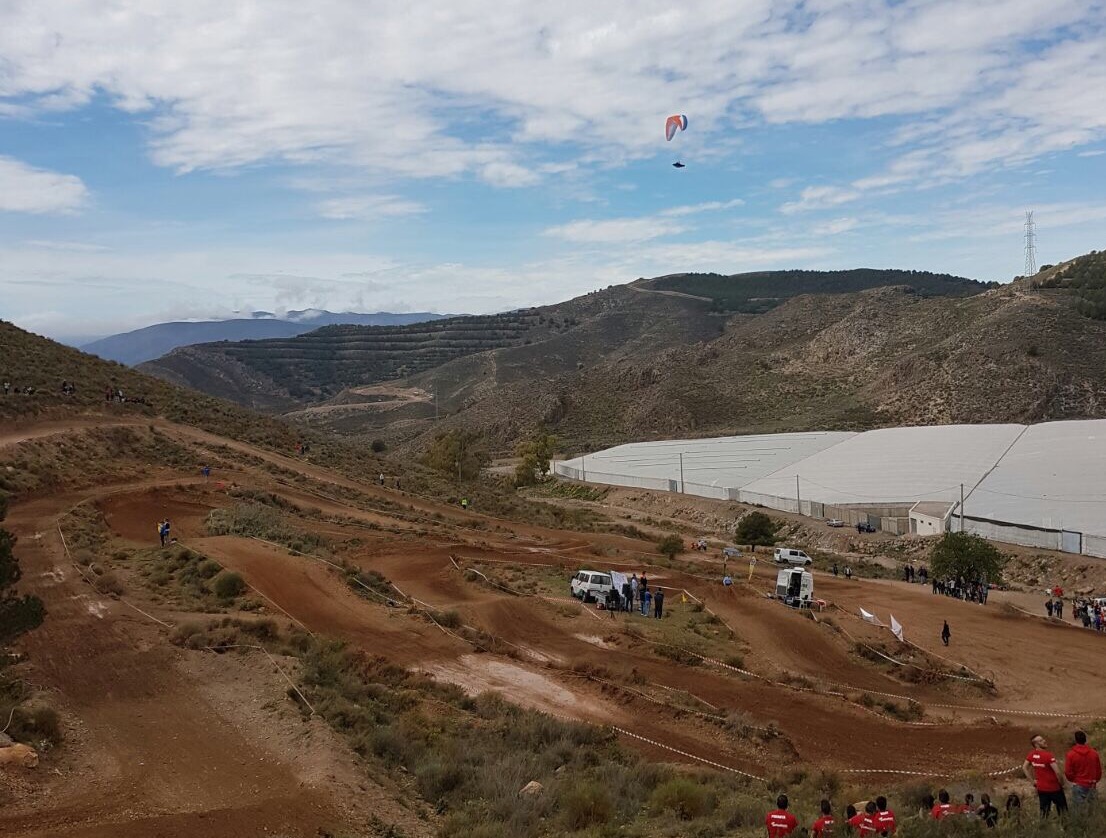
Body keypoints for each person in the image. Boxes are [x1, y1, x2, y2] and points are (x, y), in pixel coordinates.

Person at [1024, 733, 1067, 816]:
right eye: (1041, 740)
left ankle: (1044, 827)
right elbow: (1057, 772)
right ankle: (1066, 828)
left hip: (1041, 789)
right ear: (1036, 744)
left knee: (1044, 813)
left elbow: (1024, 767)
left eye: (1043, 739)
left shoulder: (1031, 755)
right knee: (1063, 811)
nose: (1044, 741)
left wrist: (1032, 782)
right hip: (1054, 788)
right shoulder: (1048, 755)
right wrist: (1062, 783)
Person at [1065, 729, 1101, 806]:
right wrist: (1095, 780)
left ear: (1075, 740)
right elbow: (1098, 770)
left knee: (1079, 810)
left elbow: (1068, 772)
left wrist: (1074, 779)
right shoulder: (1094, 753)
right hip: (1092, 784)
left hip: (1078, 784)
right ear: (1085, 739)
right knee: (1092, 809)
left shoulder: (1071, 754)